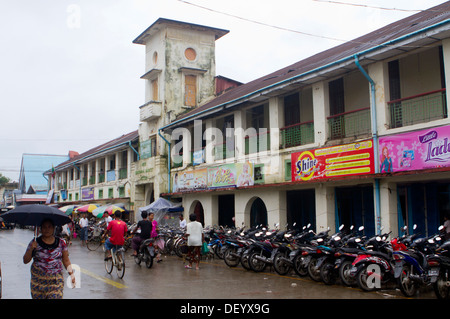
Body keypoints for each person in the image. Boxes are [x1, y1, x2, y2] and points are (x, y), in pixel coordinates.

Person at [23, 219, 75, 299]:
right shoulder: (35, 243)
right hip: (38, 282)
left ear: (53, 228)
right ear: (40, 228)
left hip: (55, 281)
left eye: (49, 227)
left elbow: (66, 260)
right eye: (44, 227)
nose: (47, 229)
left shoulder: (61, 243)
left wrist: (71, 274)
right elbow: (25, 260)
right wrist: (31, 249)